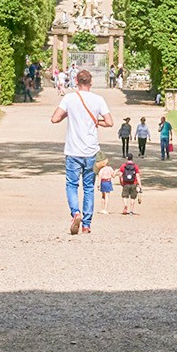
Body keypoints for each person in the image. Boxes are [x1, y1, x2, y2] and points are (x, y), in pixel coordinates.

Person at [51, 69, 112, 235]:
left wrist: (68, 114)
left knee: (71, 184)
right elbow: (110, 122)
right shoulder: (98, 100)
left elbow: (55, 118)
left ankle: (75, 213)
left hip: (73, 150)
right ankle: (86, 224)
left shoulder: (69, 98)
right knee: (89, 188)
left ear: (76, 82)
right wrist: (96, 121)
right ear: (91, 83)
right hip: (91, 151)